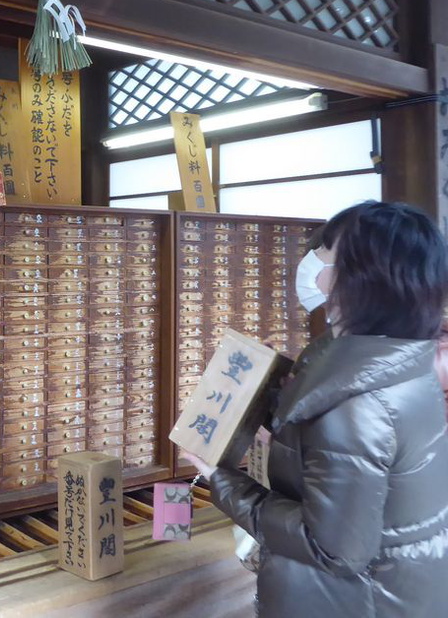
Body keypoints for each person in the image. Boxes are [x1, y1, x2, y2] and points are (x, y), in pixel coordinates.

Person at [183, 201, 448, 618]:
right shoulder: (402, 360)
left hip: (354, 602)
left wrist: (222, 480)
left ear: (363, 280)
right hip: (399, 589)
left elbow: (330, 547)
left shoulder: (358, 404)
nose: (310, 267)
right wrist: (273, 402)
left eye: (325, 257)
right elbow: (339, 454)